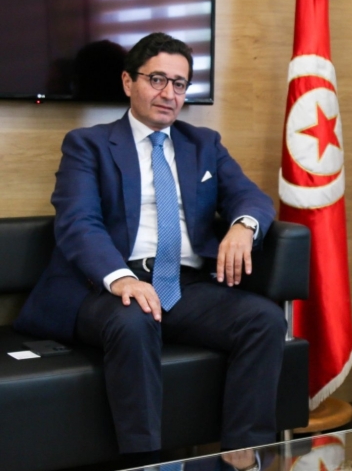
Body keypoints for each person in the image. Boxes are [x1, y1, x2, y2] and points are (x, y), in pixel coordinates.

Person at [14, 32, 284, 468]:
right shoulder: (88, 144)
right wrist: (122, 279)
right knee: (135, 318)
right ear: (128, 82)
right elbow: (78, 223)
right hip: (105, 287)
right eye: (157, 79)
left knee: (264, 319)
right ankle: (147, 463)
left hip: (184, 285)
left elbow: (250, 197)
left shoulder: (204, 144)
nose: (169, 93)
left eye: (179, 84)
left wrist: (243, 226)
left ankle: (243, 457)